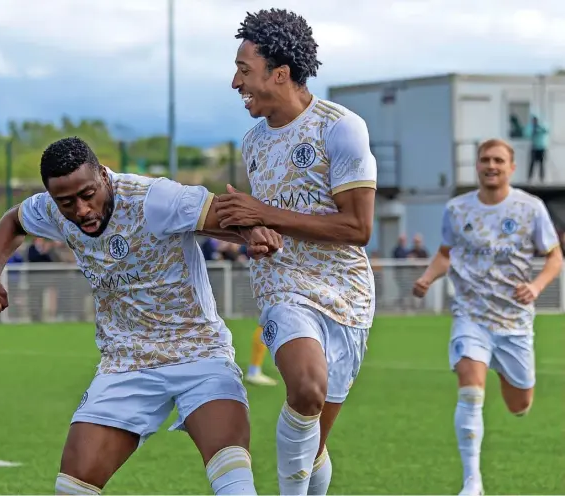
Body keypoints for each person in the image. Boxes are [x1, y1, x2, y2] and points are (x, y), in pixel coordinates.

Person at [0, 137, 284, 495]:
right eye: (67, 202)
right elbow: (12, 221)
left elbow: (220, 213)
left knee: (234, 483)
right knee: (70, 490)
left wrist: (253, 233)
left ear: (104, 177)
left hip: (199, 354)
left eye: (88, 194)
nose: (81, 209)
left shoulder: (154, 198)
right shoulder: (49, 209)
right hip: (125, 364)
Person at [216, 9, 377, 495]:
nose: (234, 81)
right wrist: (252, 229)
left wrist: (263, 211)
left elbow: (358, 226)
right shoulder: (252, 141)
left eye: (244, 70)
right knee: (306, 388)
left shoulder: (341, 128)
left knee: (317, 442)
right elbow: (264, 218)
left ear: (279, 74)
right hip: (282, 286)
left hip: (347, 294)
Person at [412, 138, 562, 496]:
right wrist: (428, 277)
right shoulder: (457, 209)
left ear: (511, 167)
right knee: (469, 388)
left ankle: (500, 368)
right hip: (471, 314)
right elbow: (446, 254)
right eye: (484, 160)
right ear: (476, 166)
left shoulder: (531, 208)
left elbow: (555, 257)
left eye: (498, 160)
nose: (490, 165)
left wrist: (537, 286)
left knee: (519, 405)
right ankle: (472, 482)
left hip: (514, 321)